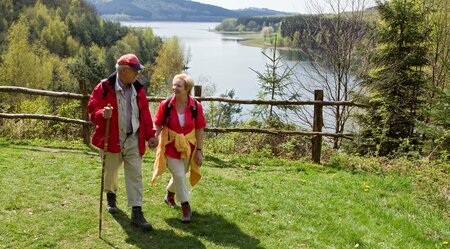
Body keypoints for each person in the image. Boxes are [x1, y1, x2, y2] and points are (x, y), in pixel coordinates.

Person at [88, 53, 158, 232]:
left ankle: (136, 212)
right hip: (111, 139)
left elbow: (145, 114)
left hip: (133, 138)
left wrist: (150, 135)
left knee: (135, 175)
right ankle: (111, 196)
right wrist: (101, 114)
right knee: (110, 172)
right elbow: (92, 110)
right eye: (135, 71)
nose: (137, 74)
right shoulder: (103, 87)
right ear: (124, 71)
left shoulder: (138, 89)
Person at [151, 73, 206, 223]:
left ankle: (169, 195)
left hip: (189, 147)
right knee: (180, 176)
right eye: (174, 85)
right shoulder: (166, 105)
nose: (174, 88)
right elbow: (158, 123)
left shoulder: (196, 107)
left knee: (181, 174)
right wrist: (154, 137)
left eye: (178, 86)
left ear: (187, 88)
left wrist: (199, 150)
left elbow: (200, 129)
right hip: (169, 146)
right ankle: (186, 206)